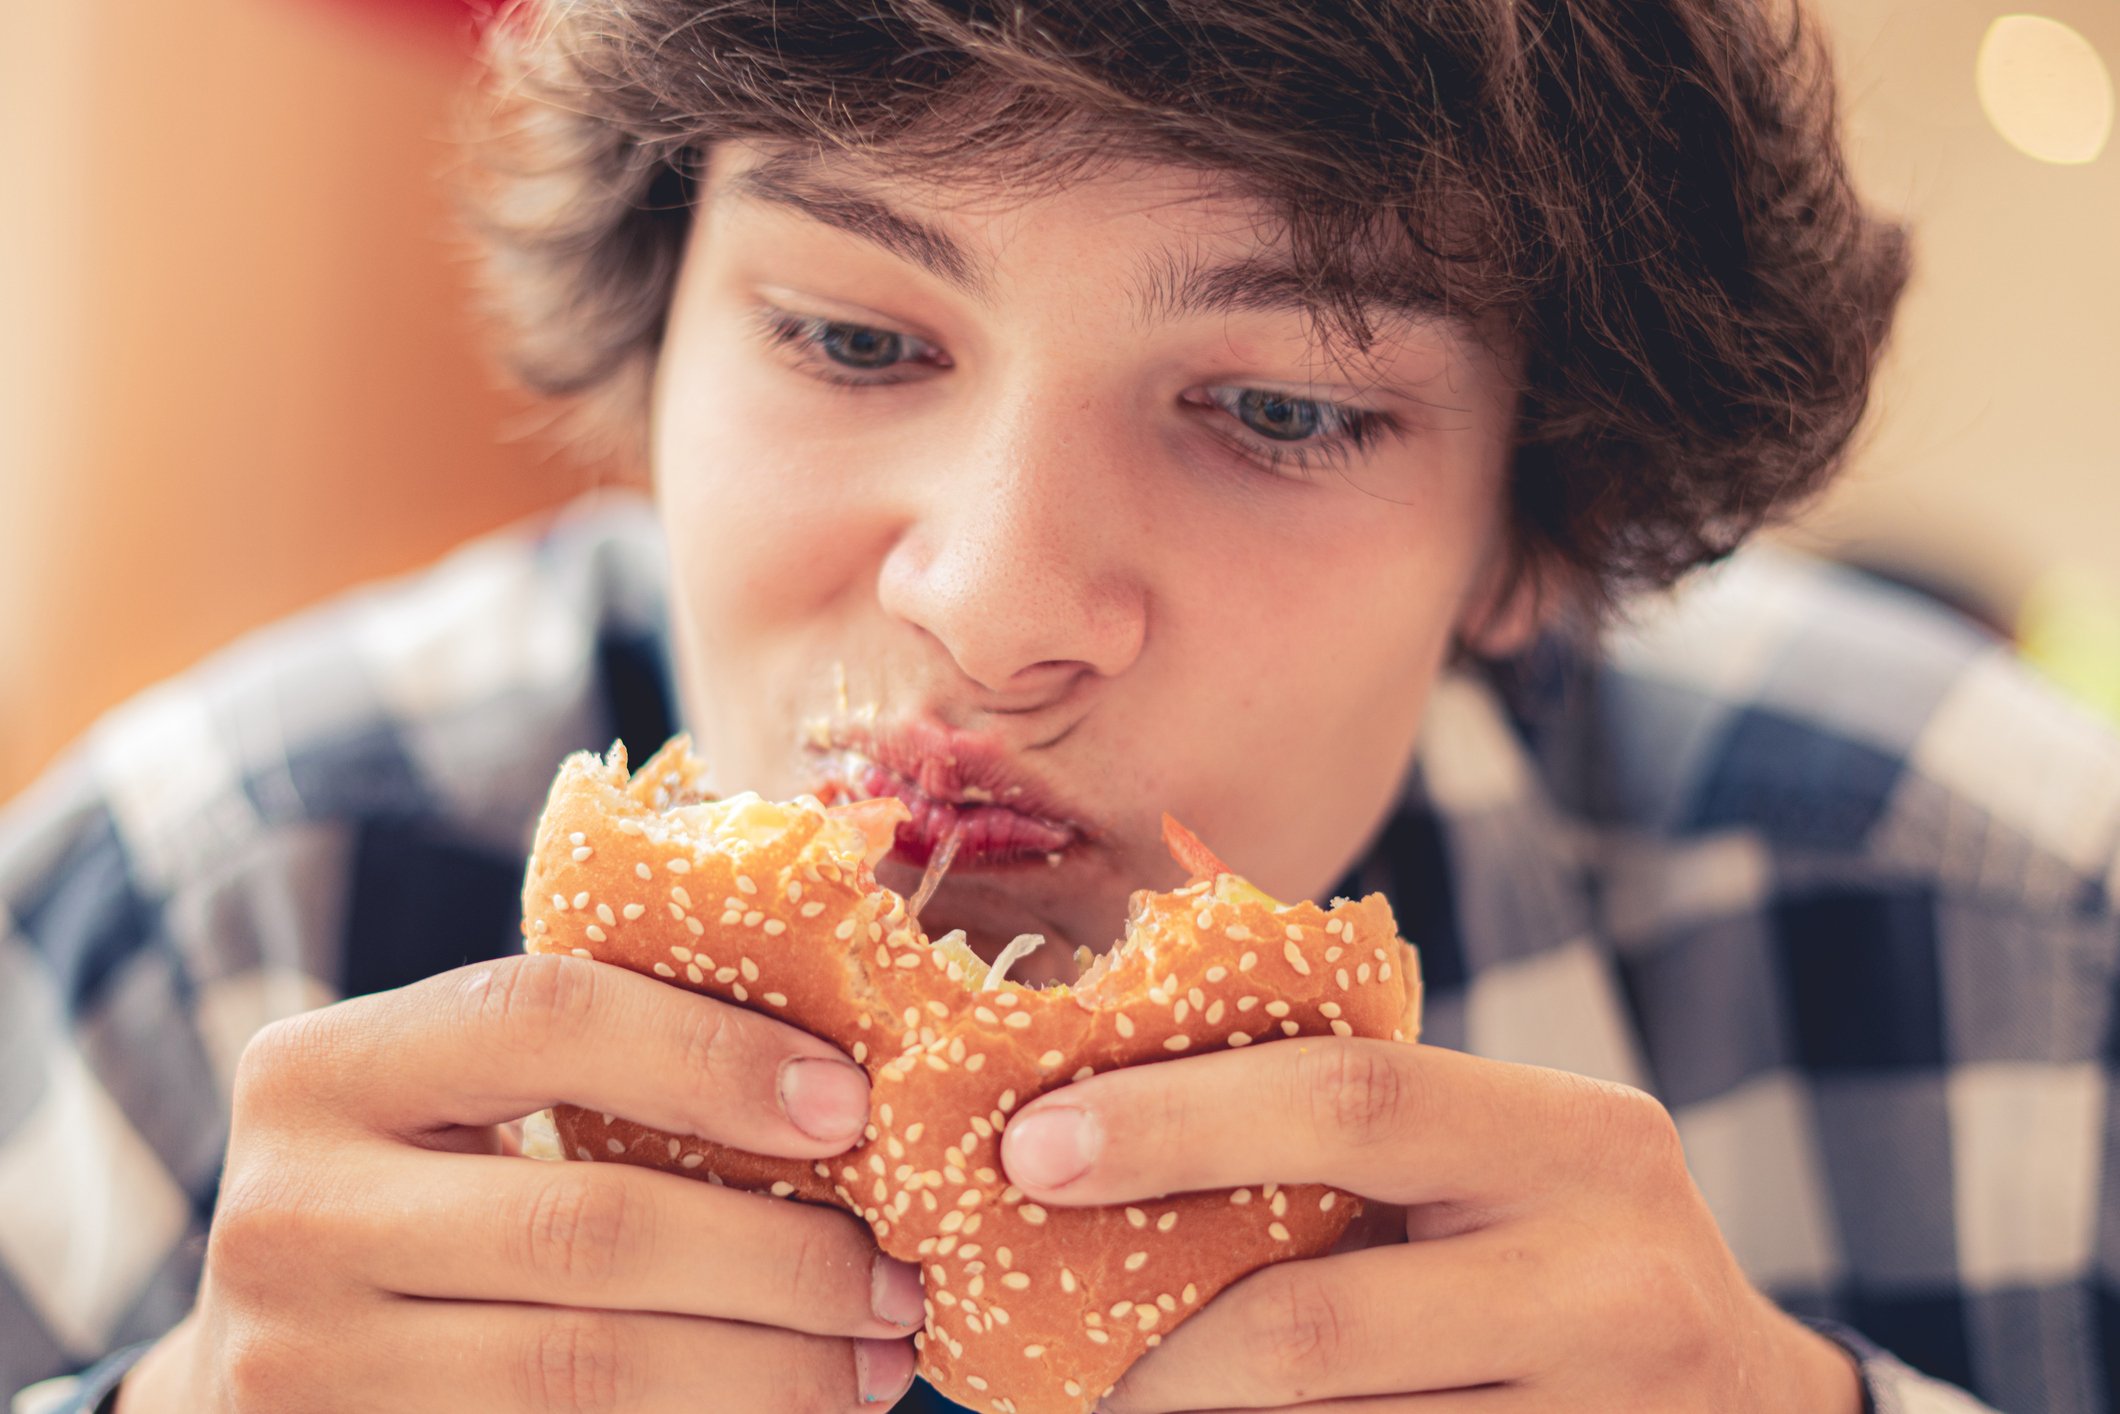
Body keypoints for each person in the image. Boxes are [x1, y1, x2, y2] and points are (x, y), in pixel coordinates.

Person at [5, 0, 2116, 1410]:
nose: (996, 608)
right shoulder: (203, 906)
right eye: (849, 338)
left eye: (1280, 407)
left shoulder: (2011, 921)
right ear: (656, 352)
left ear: (1530, 537)